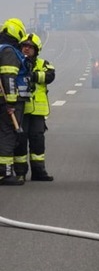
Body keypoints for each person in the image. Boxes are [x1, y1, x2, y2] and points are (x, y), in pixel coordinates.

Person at [14, 33, 55, 182]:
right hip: (21, 110)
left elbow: (50, 76)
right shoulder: (15, 62)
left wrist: (32, 75)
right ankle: (20, 173)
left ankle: (39, 172)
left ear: (37, 50)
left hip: (37, 111)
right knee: (20, 141)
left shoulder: (43, 63)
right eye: (24, 46)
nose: (26, 49)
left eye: (30, 47)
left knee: (37, 141)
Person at [0, 18, 27, 186]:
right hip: (6, 103)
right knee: (8, 134)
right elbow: (9, 77)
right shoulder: (8, 51)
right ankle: (5, 173)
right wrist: (10, 102)